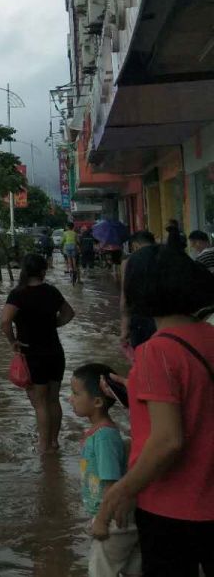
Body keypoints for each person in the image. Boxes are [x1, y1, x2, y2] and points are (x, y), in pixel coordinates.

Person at [96, 245, 214, 576]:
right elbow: (198, 403)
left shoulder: (155, 352)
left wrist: (120, 490)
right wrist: (134, 388)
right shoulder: (208, 336)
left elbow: (168, 441)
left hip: (172, 508)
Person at [68, 362, 142, 577]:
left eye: (75, 393)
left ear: (98, 401)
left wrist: (102, 520)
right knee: (133, 569)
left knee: (100, 571)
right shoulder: (100, 433)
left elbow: (111, 483)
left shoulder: (104, 437)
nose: (71, 398)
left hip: (113, 519)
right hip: (117, 517)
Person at [1, 254, 76, 453]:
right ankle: (53, 442)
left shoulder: (18, 294)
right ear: (43, 271)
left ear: (24, 271)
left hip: (32, 352)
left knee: (40, 403)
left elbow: (5, 321)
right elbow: (69, 313)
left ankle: (43, 447)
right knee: (53, 399)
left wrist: (12, 341)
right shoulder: (52, 291)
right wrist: (53, 324)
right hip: (54, 351)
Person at [119, 231, 157, 354]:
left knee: (143, 357)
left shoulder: (129, 262)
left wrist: (124, 326)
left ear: (135, 245)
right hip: (169, 318)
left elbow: (125, 295)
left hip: (141, 317)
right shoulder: (168, 257)